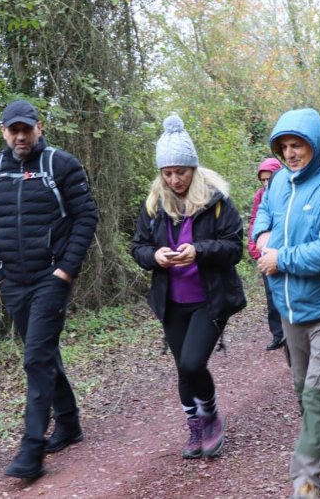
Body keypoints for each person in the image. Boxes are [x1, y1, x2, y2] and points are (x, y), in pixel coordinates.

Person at [0, 100, 98, 479]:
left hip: (50, 278)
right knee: (43, 354)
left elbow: (86, 217)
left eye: (25, 129)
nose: (19, 136)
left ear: (38, 128)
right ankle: (69, 422)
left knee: (34, 359)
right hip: (13, 281)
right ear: (3, 131)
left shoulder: (60, 164)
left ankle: (31, 450)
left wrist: (66, 270)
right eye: (12, 129)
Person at [252, 108, 320, 499]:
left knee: (316, 391)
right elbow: (263, 212)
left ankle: (306, 479)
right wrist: (262, 234)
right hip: (291, 308)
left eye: (297, 145)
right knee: (303, 388)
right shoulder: (278, 182)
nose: (291, 153)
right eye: (284, 147)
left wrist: (281, 258)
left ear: (315, 144)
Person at [131, 114, 246, 460]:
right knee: (183, 367)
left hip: (209, 300)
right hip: (172, 300)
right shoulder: (153, 206)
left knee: (194, 363)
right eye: (167, 173)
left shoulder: (217, 202)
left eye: (181, 171)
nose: (175, 179)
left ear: (193, 169)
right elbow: (137, 247)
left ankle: (210, 415)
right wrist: (156, 256)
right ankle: (195, 426)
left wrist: (200, 251)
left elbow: (234, 248)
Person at [247, 157, 286, 351]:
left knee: (287, 291)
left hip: (284, 252)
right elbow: (255, 220)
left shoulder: (288, 192)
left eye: (268, 178)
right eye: (262, 180)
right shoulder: (260, 195)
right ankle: (278, 335)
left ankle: (293, 330)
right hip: (264, 251)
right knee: (271, 296)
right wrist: (255, 248)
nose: (265, 183)